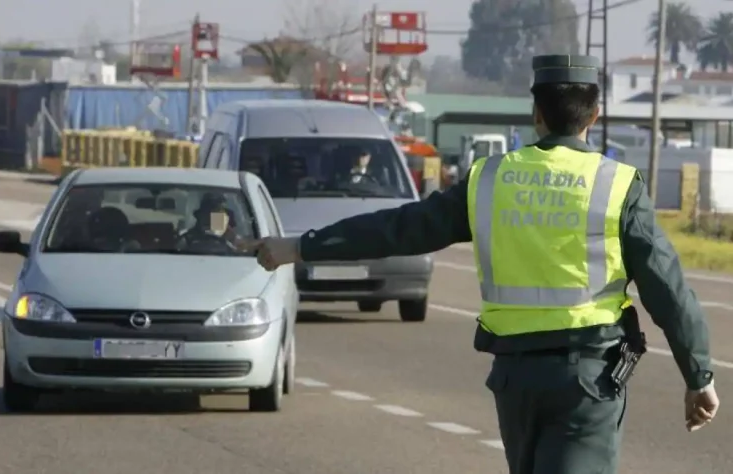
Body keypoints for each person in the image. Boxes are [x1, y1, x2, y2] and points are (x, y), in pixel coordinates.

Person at [247, 54, 719, 473]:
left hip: (515, 380)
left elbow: (398, 228)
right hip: (587, 382)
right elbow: (667, 288)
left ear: (536, 114)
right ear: (593, 116)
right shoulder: (617, 185)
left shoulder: (489, 180)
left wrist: (300, 247)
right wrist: (699, 376)